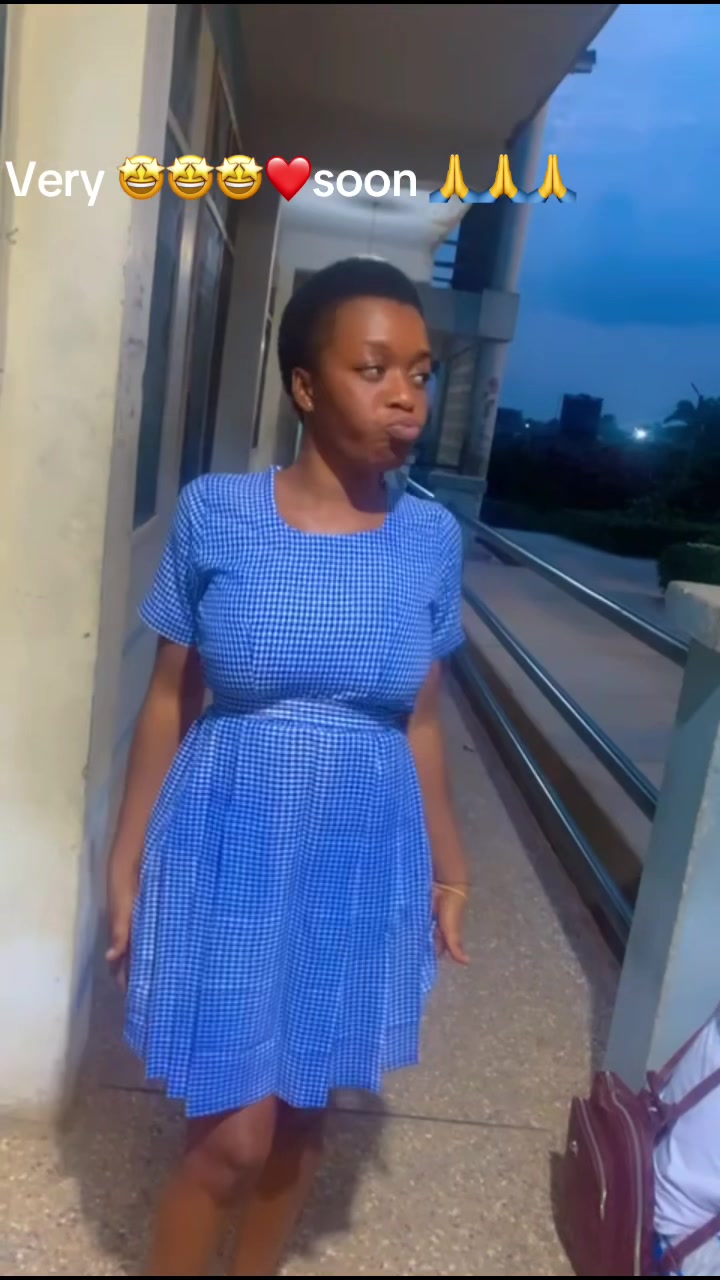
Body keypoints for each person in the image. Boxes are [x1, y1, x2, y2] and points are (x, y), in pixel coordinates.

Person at [106, 256, 469, 1276]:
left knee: (302, 1120)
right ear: (305, 386)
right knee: (232, 1137)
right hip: (229, 838)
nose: (406, 396)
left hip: (360, 852)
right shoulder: (217, 512)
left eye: (422, 372)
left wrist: (451, 870)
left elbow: (423, 720)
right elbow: (169, 699)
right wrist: (125, 861)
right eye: (374, 369)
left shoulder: (430, 539)